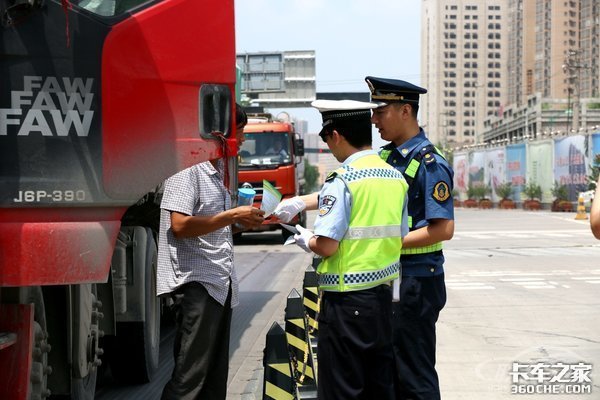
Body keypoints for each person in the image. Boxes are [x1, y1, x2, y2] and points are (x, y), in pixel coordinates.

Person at [292, 99, 409, 400]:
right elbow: (400, 235)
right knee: (379, 389)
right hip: (384, 300)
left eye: (328, 140)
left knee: (342, 390)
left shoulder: (342, 180)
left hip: (347, 306)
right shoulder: (395, 178)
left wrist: (307, 240)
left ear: (336, 136)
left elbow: (328, 245)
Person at [157, 103, 264, 400]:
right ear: (220, 134)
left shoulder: (216, 171)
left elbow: (210, 227)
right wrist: (231, 216)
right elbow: (179, 225)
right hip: (197, 286)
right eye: (240, 132)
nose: (242, 140)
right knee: (189, 380)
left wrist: (243, 222)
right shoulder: (186, 167)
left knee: (213, 380)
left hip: (218, 283)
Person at [367, 76, 454, 400]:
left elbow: (443, 228)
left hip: (418, 280)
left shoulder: (430, 163)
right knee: (391, 375)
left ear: (405, 110)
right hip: (393, 277)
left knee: (414, 377)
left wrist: (388, 242)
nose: (374, 120)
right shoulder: (387, 158)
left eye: (381, 111)